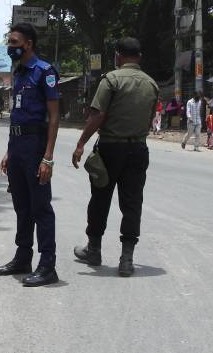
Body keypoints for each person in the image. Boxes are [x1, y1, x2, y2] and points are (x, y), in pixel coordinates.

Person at [72, 37, 159, 277]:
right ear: (139, 57)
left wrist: (81, 143)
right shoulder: (151, 84)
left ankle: (94, 250)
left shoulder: (111, 79)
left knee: (100, 198)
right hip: (138, 150)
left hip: (111, 148)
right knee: (132, 203)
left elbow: (97, 116)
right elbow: (150, 119)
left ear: (118, 56)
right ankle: (127, 259)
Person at [0, 23, 61, 287]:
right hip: (18, 145)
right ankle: (23, 257)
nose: (10, 46)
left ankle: (48, 265)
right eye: (10, 42)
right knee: (21, 205)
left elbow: (54, 117)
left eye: (13, 42)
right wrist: (9, 151)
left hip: (35, 145)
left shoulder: (44, 72)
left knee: (40, 207)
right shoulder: (19, 73)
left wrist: (48, 157)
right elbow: (16, 116)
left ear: (28, 43)